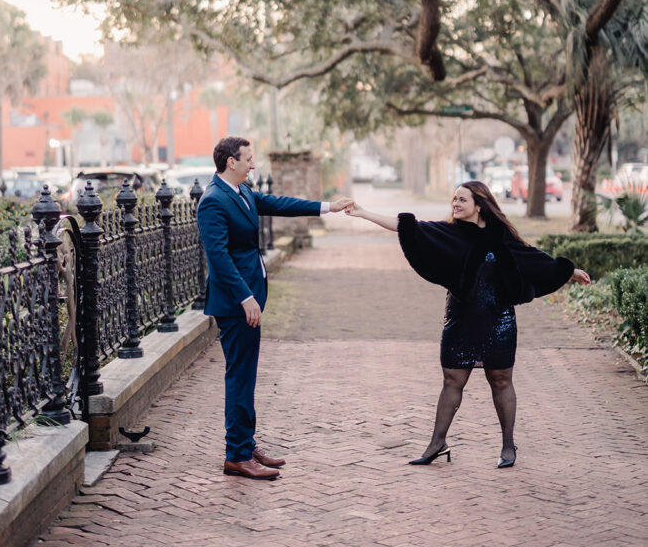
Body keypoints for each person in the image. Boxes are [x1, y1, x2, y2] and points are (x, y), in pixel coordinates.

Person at [346, 181, 590, 468]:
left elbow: (534, 260)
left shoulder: (502, 238)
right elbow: (407, 227)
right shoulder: (450, 233)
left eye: (462, 200)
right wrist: (363, 213)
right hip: (460, 320)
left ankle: (508, 446)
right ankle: (437, 443)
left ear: (479, 204)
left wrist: (568, 271)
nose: (455, 204)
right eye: (453, 200)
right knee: (452, 381)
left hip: (498, 321)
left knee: (500, 381)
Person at [197, 136, 353, 480]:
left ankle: (245, 443)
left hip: (249, 298)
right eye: (248, 159)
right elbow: (219, 259)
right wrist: (245, 297)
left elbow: (281, 203)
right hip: (237, 304)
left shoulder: (242, 192)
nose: (254, 165)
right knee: (239, 376)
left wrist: (329, 206)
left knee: (247, 375)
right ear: (230, 162)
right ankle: (237, 456)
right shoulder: (213, 201)